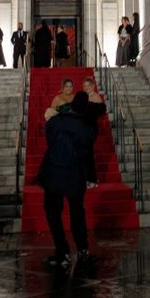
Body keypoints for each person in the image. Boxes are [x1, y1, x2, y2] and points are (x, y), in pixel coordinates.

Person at [37, 91, 98, 267]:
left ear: (71, 104)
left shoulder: (57, 121)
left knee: (53, 213)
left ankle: (62, 251)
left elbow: (49, 137)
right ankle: (82, 249)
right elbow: (88, 153)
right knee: (77, 213)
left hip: (55, 172)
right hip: (75, 175)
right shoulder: (87, 129)